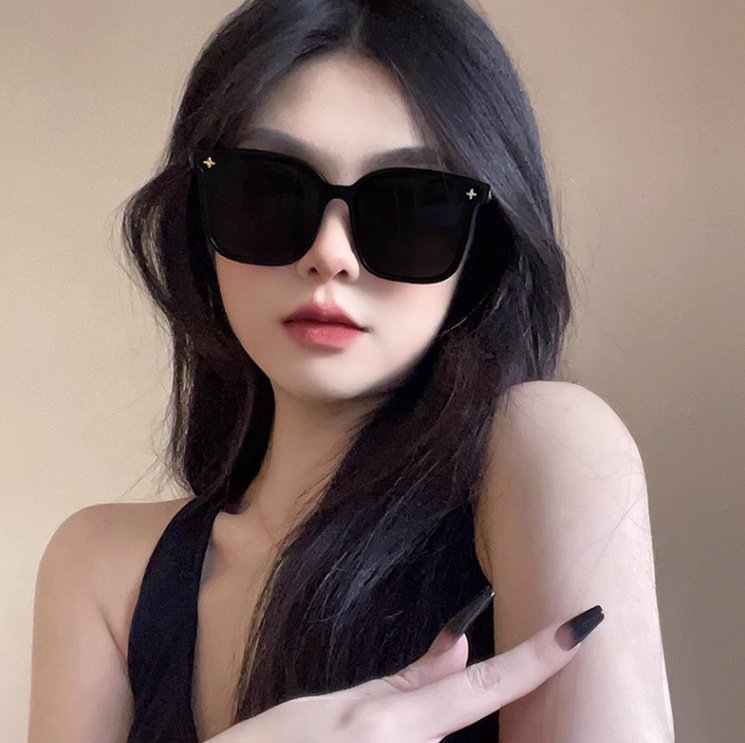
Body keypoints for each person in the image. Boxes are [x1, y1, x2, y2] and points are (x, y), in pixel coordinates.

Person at [28, 0, 675, 741]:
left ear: (480, 250)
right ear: (199, 222)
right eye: (268, 190)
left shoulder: (549, 448)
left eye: (410, 204)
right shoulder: (100, 569)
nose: (330, 254)